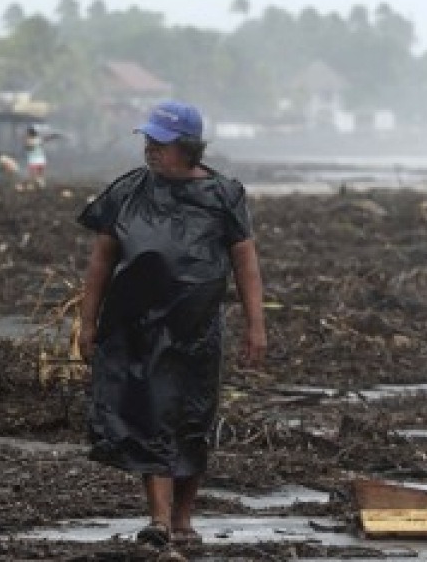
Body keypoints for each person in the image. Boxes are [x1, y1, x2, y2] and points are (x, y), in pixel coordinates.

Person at [75, 100, 267, 560]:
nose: (150, 151)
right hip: (138, 325)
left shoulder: (224, 195)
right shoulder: (127, 192)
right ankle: (158, 520)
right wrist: (86, 320)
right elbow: (102, 259)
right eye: (147, 141)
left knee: (193, 420)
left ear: (187, 148)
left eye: (159, 143)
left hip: (198, 329)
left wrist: (255, 325)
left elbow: (245, 261)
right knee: (152, 414)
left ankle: (182, 519)